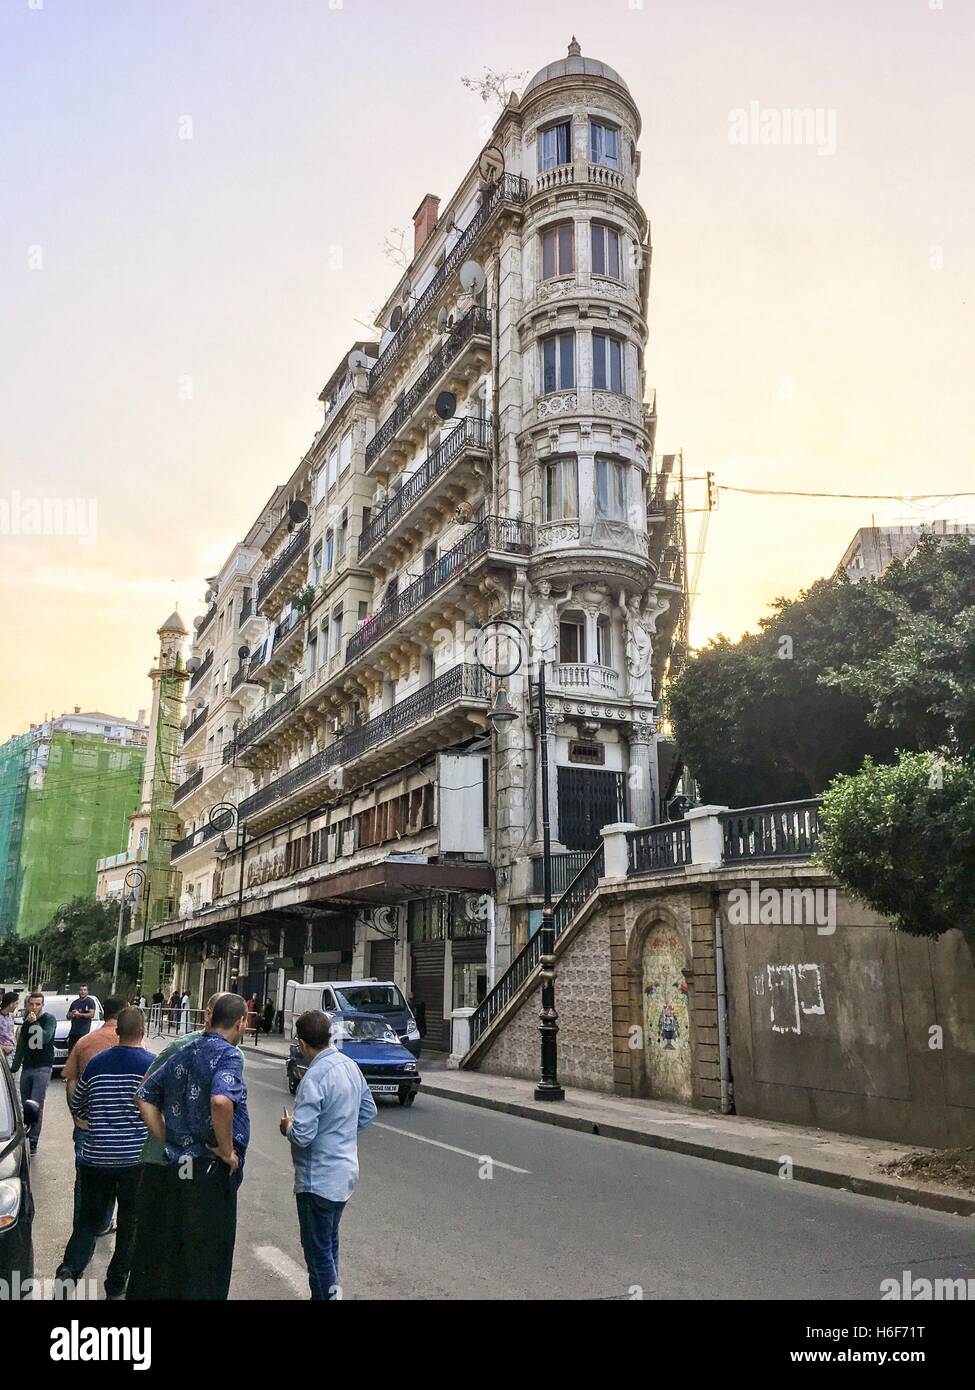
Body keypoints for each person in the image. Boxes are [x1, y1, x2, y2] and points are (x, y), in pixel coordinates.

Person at [135, 993, 249, 1301]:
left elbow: (143, 1094)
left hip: (177, 1168)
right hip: (209, 1173)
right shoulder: (229, 1055)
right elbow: (221, 1100)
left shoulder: (184, 1050)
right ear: (241, 1022)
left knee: (178, 1254)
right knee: (208, 1260)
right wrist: (226, 1151)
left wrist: (167, 1136)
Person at [54, 1007, 153, 1300]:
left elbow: (79, 1102)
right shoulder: (151, 1064)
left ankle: (69, 1270)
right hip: (134, 1159)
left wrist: (86, 1118)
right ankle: (116, 1283)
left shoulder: (97, 1063)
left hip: (96, 1156)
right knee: (130, 1222)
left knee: (89, 1220)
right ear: (143, 1032)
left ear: (118, 1032)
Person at [280, 1009, 377, 1301]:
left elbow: (304, 1135)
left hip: (317, 1179)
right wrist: (340, 1132)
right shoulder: (349, 1066)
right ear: (329, 1036)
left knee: (318, 1253)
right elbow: (368, 1112)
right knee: (329, 1243)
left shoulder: (314, 1077)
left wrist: (287, 1127)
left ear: (302, 1044)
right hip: (344, 1174)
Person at [63, 995, 126, 1233]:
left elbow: (71, 1083)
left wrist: (76, 1117)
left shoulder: (85, 1042)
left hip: (87, 1125)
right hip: (121, 1128)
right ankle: (104, 1222)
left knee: (85, 1178)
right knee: (116, 1177)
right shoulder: (131, 1043)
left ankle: (82, 1226)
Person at [10, 990, 56, 1154]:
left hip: (43, 1067)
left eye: (38, 1004)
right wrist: (12, 1069)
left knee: (35, 1105)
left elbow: (44, 1038)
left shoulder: (48, 1019)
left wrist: (34, 1023)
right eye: (31, 1004)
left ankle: (34, 1141)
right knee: (24, 1105)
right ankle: (25, 1135)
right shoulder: (25, 1024)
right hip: (27, 1068)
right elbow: (21, 1048)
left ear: (42, 1005)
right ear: (27, 1005)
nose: (34, 1007)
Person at [66, 985, 97, 1054]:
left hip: (83, 1031)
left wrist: (79, 1014)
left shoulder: (90, 1002)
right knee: (71, 1052)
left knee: (82, 1052)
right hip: (73, 1031)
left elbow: (91, 1014)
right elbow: (68, 1016)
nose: (82, 992)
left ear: (87, 992)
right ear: (78, 991)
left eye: (84, 990)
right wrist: (72, 1014)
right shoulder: (74, 1003)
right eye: (81, 990)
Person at [0, 991, 19, 1059]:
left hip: (13, 1052)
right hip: (3, 1056)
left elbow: (11, 1034)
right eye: (16, 1003)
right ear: (11, 1004)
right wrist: (3, 1047)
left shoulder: (11, 1016)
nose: (17, 1006)